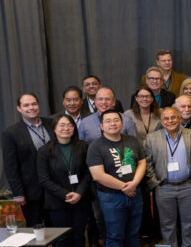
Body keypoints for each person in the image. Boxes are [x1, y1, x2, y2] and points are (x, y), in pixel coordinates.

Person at [87, 110, 148, 247]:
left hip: (135, 194)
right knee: (115, 235)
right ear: (101, 126)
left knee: (133, 233)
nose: (113, 123)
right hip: (111, 197)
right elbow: (98, 175)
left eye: (116, 120)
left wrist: (134, 184)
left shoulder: (132, 140)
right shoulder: (95, 146)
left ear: (121, 123)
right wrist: (124, 187)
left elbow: (142, 162)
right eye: (108, 121)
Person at [143, 108, 191, 247]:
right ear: (162, 121)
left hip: (188, 186)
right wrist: (155, 183)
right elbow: (147, 162)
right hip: (164, 188)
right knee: (167, 225)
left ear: (180, 119)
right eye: (166, 119)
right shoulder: (152, 138)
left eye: (173, 118)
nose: (170, 121)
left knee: (190, 223)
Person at [36, 115, 91, 247]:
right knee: (63, 239)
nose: (66, 128)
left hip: (81, 200)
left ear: (74, 128)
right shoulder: (44, 151)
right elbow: (43, 179)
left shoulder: (84, 147)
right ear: (54, 128)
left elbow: (88, 173)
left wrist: (79, 193)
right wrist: (64, 194)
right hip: (57, 202)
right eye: (61, 125)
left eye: (70, 125)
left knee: (79, 236)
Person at [2, 94, 53, 226]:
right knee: (36, 230)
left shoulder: (52, 123)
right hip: (31, 192)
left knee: (59, 229)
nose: (31, 107)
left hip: (55, 188)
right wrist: (18, 193)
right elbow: (10, 166)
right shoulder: (11, 133)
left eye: (34, 104)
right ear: (19, 108)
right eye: (26, 105)